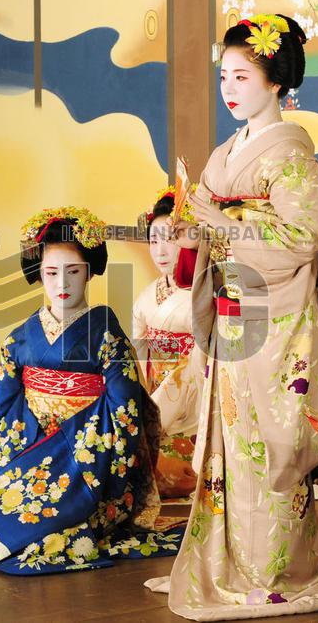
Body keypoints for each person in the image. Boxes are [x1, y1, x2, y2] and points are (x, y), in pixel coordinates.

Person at [145, 14, 318, 619]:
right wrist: (197, 227)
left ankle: (275, 570)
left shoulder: (291, 155)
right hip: (231, 313)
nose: (230, 88)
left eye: (242, 76)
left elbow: (299, 241)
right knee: (226, 448)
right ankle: (224, 563)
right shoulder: (226, 153)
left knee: (270, 449)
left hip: (275, 320)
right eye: (225, 76)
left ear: (277, 82)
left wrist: (219, 221)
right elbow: (220, 230)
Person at [0, 207, 182, 574]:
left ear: (89, 272)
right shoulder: (19, 339)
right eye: (52, 272)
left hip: (88, 461)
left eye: (73, 272)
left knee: (48, 521)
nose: (62, 283)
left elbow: (124, 414)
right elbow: (4, 413)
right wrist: (20, 459)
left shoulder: (107, 336)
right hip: (32, 447)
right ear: (38, 273)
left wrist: (71, 451)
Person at [132, 188, 199, 498]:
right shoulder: (147, 295)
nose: (160, 251)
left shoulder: (203, 290)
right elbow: (140, 352)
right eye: (153, 241)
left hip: (194, 395)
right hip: (157, 390)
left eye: (169, 239)